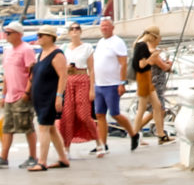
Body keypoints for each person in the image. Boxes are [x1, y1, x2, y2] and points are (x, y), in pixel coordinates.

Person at [0, 28, 39, 167]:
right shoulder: (7, 51)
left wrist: (27, 93)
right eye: (6, 33)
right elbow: (6, 74)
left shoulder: (27, 50)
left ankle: (33, 157)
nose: (6, 35)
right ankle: (3, 158)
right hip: (10, 96)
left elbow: (32, 73)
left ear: (18, 34)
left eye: (9, 33)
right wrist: (3, 95)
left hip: (22, 95)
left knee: (27, 126)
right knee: (7, 128)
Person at [26, 32, 71, 170]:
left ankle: (42, 161)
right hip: (40, 96)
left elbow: (63, 76)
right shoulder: (42, 54)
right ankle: (63, 158)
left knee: (44, 127)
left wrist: (59, 96)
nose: (38, 38)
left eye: (41, 36)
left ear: (50, 37)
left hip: (50, 96)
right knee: (51, 128)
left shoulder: (57, 54)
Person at [86, 19, 130, 157]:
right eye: (102, 26)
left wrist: (122, 82)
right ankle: (103, 144)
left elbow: (123, 63)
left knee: (115, 113)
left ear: (112, 27)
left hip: (112, 84)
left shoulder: (118, 42)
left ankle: (133, 133)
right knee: (99, 114)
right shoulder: (100, 42)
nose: (104, 28)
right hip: (99, 83)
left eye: (106, 26)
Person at [129, 26, 173, 149]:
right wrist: (152, 58)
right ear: (153, 36)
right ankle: (134, 134)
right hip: (143, 78)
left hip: (146, 79)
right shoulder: (142, 46)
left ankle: (160, 135)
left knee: (157, 106)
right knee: (142, 109)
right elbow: (141, 64)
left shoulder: (139, 44)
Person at [57, 25, 94, 149]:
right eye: (72, 29)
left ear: (81, 31)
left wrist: (92, 89)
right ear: (68, 33)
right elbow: (60, 69)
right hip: (68, 81)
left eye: (77, 28)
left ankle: (99, 142)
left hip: (82, 79)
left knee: (83, 114)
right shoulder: (64, 48)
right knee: (67, 116)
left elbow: (91, 69)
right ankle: (66, 147)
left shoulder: (87, 47)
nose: (74, 31)